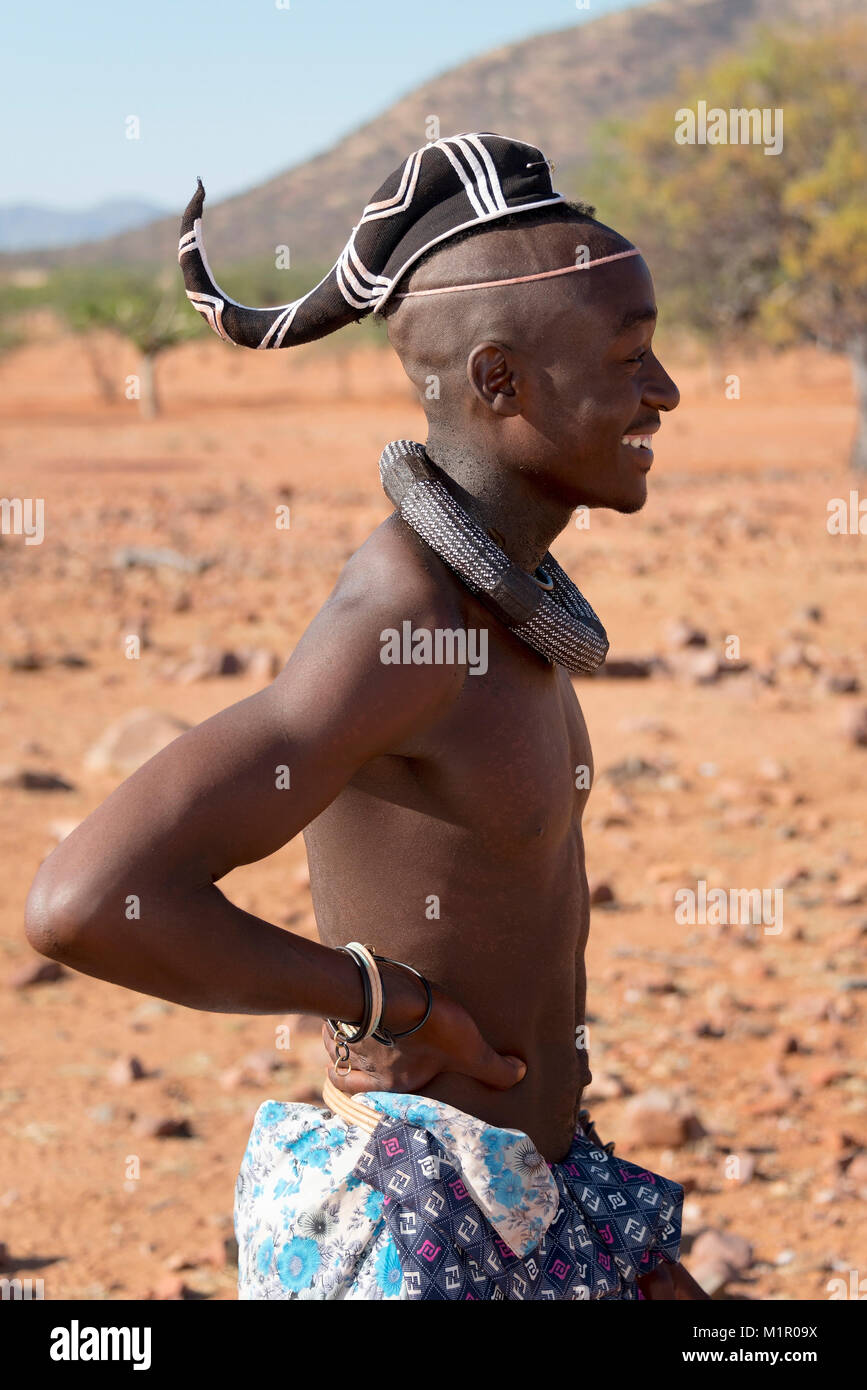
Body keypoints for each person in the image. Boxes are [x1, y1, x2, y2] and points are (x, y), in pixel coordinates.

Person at [25, 133, 707, 1301]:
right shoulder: (403, 620)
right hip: (425, 1225)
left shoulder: (511, 611)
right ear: (499, 381)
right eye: (631, 353)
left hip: (546, 1198)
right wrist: (388, 1002)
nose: (665, 389)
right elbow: (87, 901)